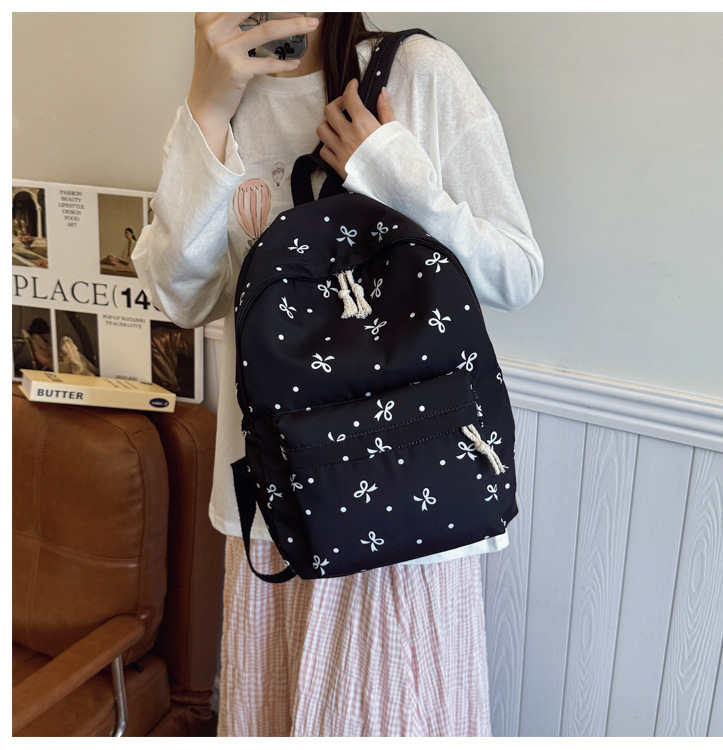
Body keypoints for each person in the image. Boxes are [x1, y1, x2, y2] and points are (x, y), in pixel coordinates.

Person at [133, 12, 543, 737]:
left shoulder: (416, 74)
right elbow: (182, 298)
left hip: (413, 507)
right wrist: (208, 106)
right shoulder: (220, 97)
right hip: (278, 507)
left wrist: (391, 170)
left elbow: (516, 274)